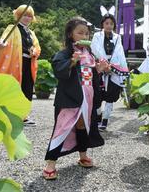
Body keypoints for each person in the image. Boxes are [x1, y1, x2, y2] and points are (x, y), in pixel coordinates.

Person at [43, 17, 107, 180]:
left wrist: (98, 69)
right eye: (80, 33)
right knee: (62, 127)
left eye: (86, 33)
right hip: (70, 97)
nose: (84, 36)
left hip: (88, 96)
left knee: (84, 125)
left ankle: (83, 155)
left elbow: (90, 75)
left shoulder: (89, 53)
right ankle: (50, 164)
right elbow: (58, 70)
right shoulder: (65, 53)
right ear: (70, 34)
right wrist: (72, 61)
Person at [0, 4, 41, 126]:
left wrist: (34, 52)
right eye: (24, 15)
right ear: (18, 15)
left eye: (29, 16)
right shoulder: (12, 28)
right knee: (15, 88)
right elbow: (4, 39)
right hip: (15, 63)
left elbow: (37, 47)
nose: (27, 18)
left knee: (27, 88)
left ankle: (23, 116)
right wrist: (2, 43)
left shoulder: (31, 33)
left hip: (28, 63)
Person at [91, 6, 129, 131]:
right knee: (97, 95)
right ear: (102, 24)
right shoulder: (97, 36)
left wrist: (121, 69)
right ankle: (97, 118)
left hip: (113, 69)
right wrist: (104, 64)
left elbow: (120, 53)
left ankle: (105, 120)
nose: (109, 26)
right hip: (100, 68)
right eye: (106, 23)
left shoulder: (118, 37)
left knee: (110, 95)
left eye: (111, 24)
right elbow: (95, 49)